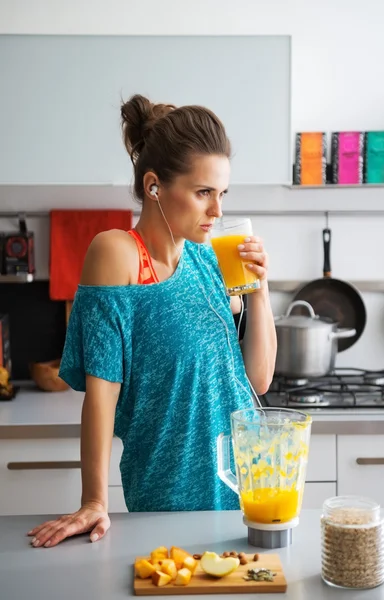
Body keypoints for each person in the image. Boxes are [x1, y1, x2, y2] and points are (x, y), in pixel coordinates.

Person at [27, 95, 277, 549]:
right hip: (170, 497)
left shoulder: (209, 259)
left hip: (246, 488)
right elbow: (101, 392)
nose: (217, 211)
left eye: (222, 194)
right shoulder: (118, 253)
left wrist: (261, 290)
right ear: (154, 186)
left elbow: (256, 379)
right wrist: (93, 501)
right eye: (204, 193)